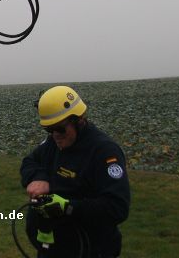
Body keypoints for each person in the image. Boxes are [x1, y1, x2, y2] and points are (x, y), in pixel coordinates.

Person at [20, 86, 130, 258]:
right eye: (49, 130)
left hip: (89, 250)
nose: (55, 135)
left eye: (60, 129)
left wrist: (68, 207)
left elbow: (117, 208)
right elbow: (30, 161)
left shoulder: (104, 151)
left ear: (78, 120)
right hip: (53, 248)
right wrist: (37, 178)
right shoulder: (53, 143)